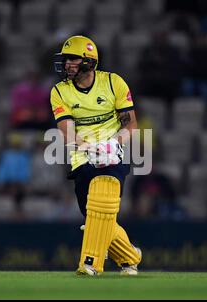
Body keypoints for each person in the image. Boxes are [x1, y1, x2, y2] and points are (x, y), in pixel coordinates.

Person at [50, 35, 142, 276]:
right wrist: (90, 148)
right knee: (95, 215)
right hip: (83, 157)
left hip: (114, 155)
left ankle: (90, 263)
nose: (66, 64)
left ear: (88, 61)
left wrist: (113, 144)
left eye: (72, 59)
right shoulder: (59, 91)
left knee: (102, 199)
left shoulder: (113, 83)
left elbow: (131, 125)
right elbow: (68, 131)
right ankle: (130, 257)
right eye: (65, 59)